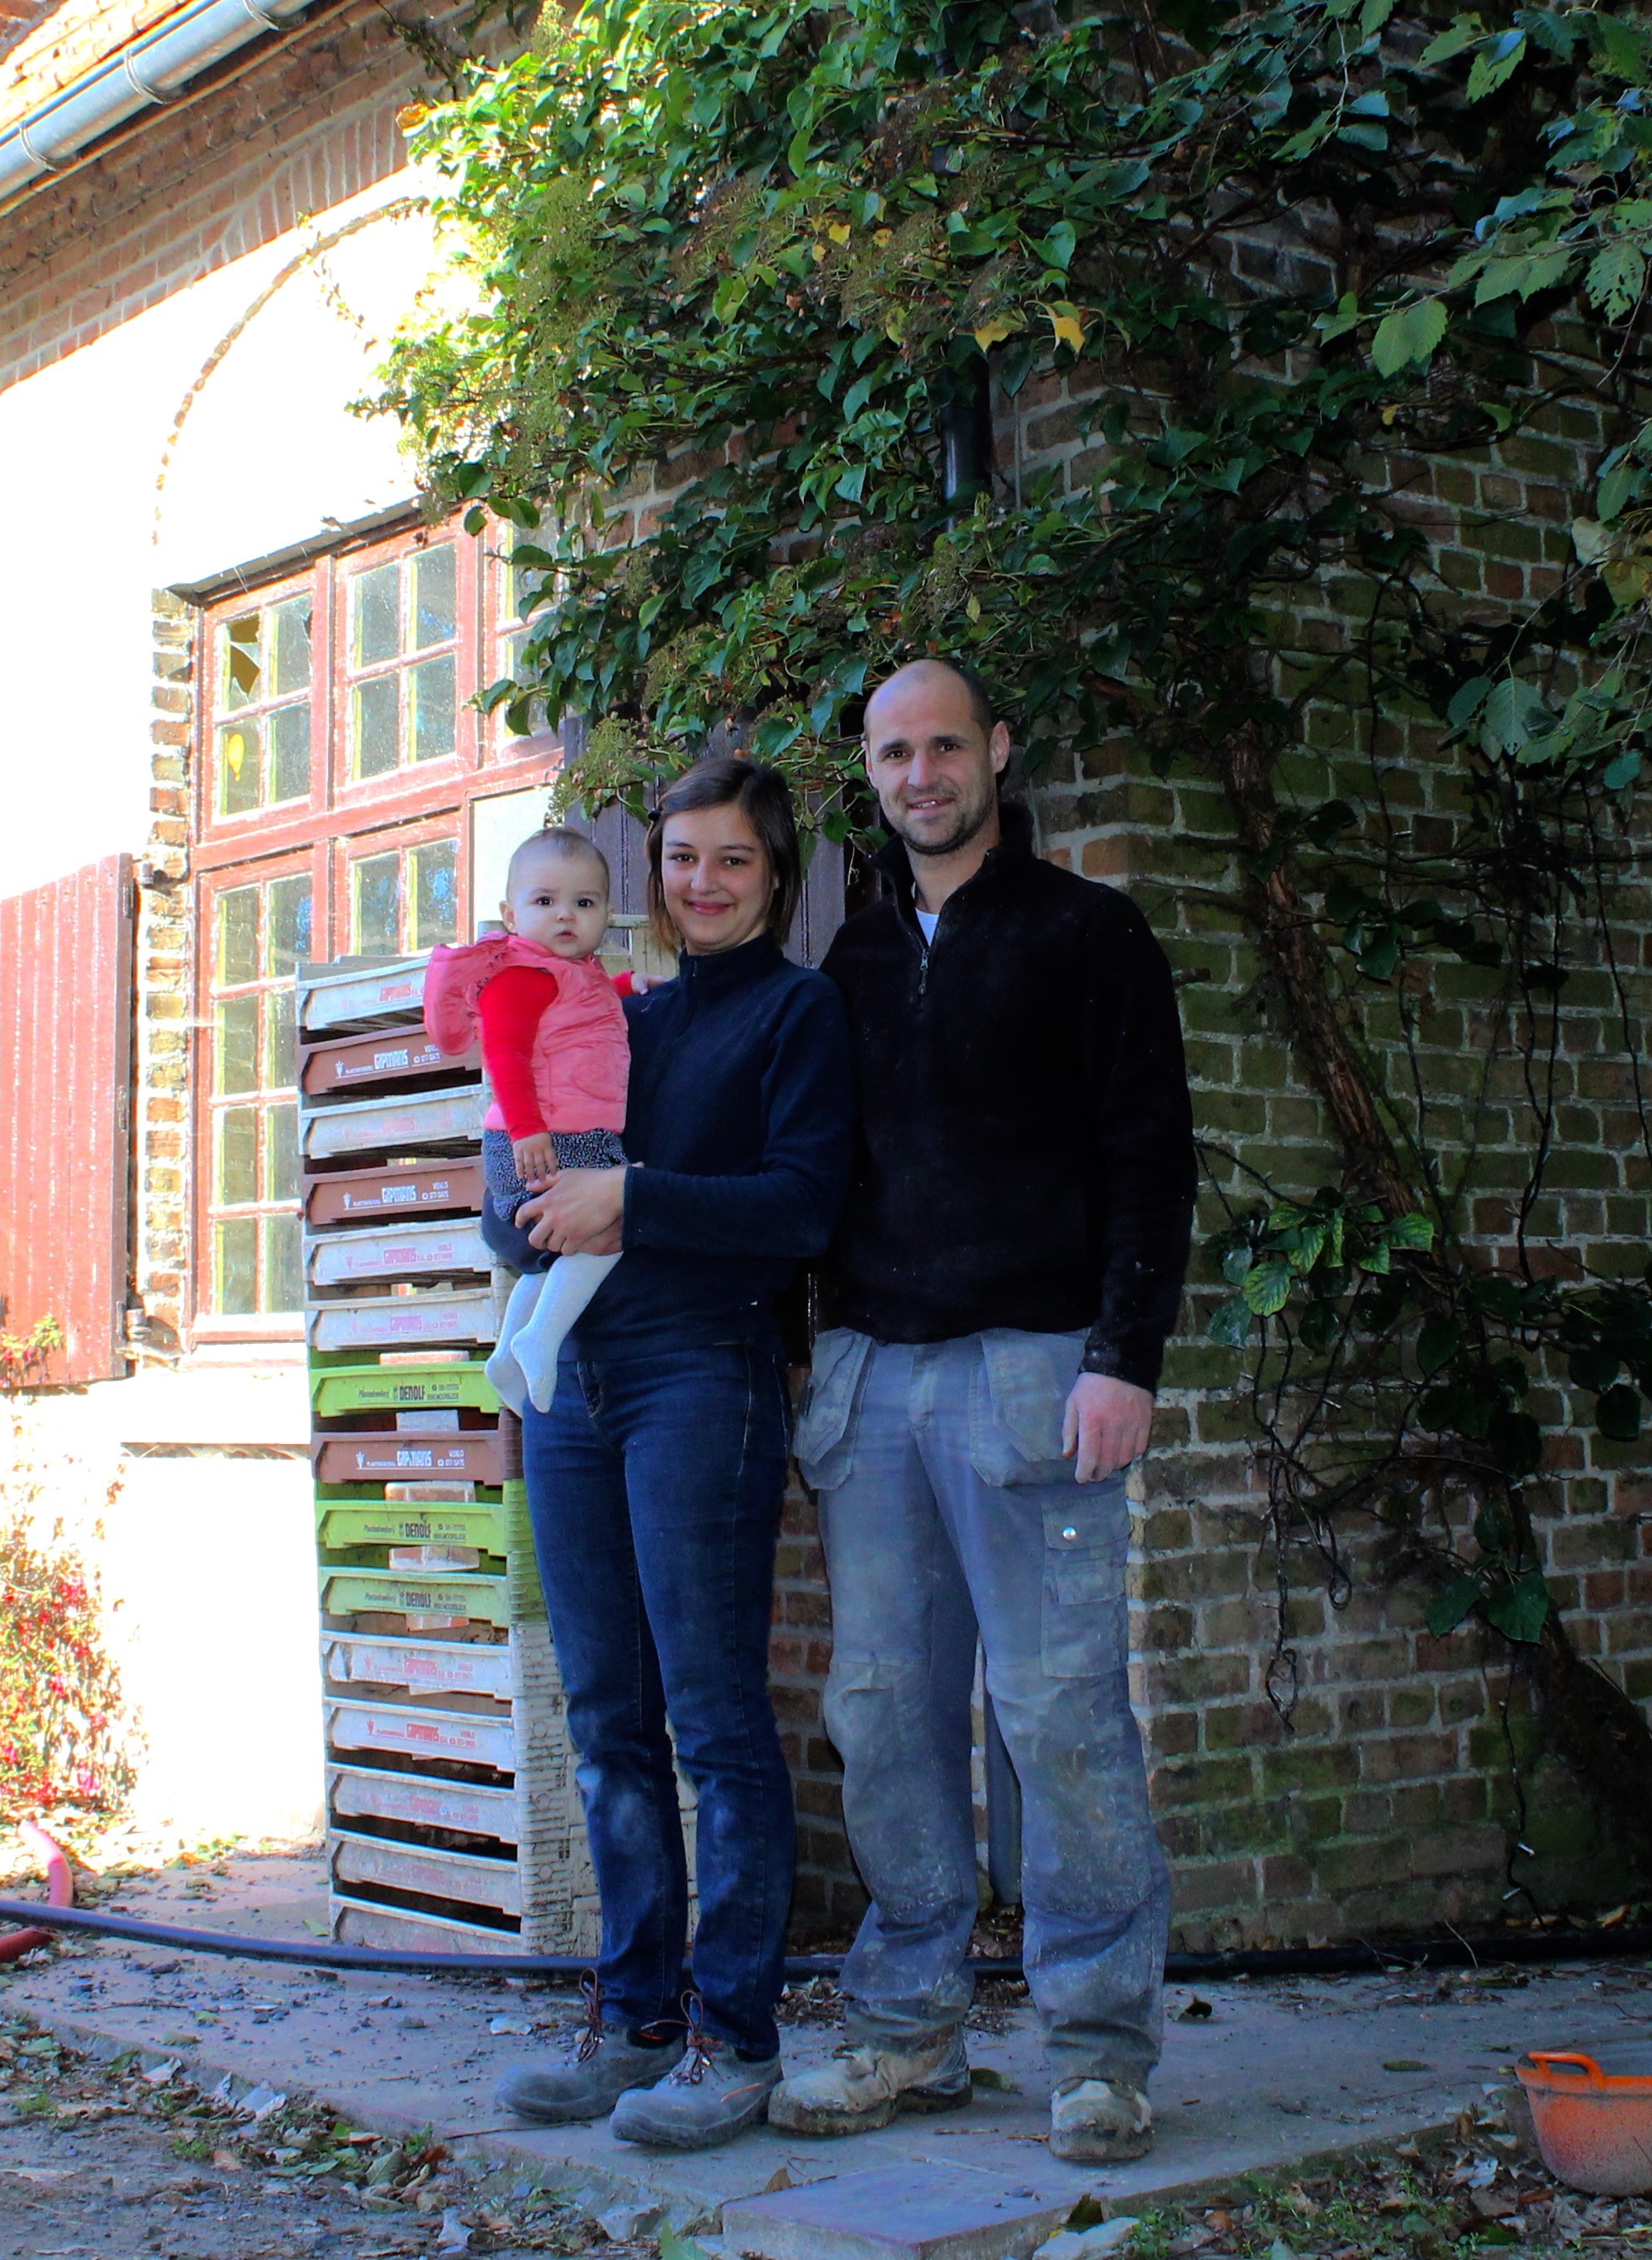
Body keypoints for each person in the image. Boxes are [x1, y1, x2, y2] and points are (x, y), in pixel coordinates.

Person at [771, 660, 1194, 2167]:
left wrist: (1121, 1354)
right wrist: (795, 1356)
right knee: (879, 1711)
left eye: (946, 743)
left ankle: (1095, 2052)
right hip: (872, 1379)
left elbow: (1150, 1153)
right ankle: (907, 2031)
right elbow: (808, 1185)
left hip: (1033, 1372)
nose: (921, 772)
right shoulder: (847, 968)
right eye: (894, 750)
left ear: (996, 751)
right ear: (869, 772)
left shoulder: (1090, 937)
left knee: (1059, 1714)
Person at [489, 757, 850, 2152]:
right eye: (682, 859)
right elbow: (523, 1191)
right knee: (604, 1719)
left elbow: (801, 1204)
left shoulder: (793, 1013)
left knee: (711, 1720)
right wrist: (512, 1196)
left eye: (733, 861)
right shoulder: (615, 1012)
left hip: (702, 1372)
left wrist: (626, 1198)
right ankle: (634, 2016)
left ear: (776, 877)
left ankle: (735, 2037)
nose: (700, 881)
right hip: (573, 1384)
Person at [429, 825, 634, 1414]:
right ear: (510, 914)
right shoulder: (520, 975)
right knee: (605, 1233)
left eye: (584, 903)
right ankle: (540, 1340)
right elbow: (507, 1056)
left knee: (554, 1250)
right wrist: (528, 1130)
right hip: (548, 1138)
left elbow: (577, 1015)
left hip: (566, 1133)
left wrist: (625, 986)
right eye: (545, 902)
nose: (565, 915)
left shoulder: (571, 972)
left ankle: (509, 1355)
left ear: (606, 913)